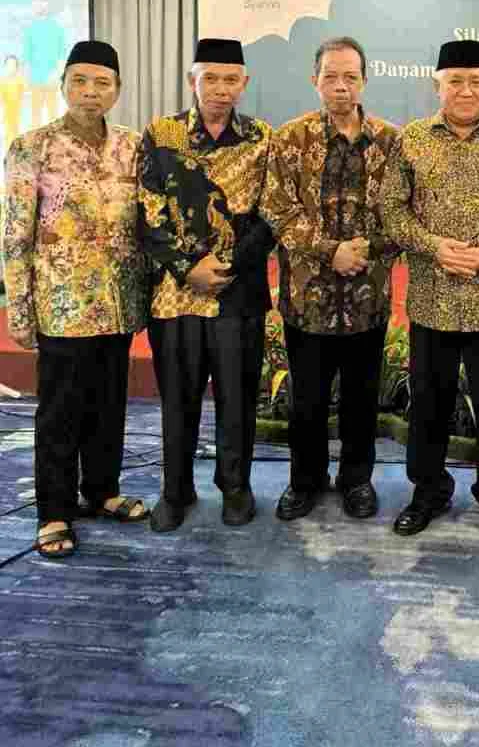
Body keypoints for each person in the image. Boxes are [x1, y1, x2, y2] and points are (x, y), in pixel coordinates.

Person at [379, 39, 479, 543]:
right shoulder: (411, 139)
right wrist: (435, 248)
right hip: (432, 300)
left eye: (475, 81)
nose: (466, 90)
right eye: (455, 81)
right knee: (429, 406)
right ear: (438, 86)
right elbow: (392, 208)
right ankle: (428, 492)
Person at [3, 41, 149, 559]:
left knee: (109, 406)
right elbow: (15, 235)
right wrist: (20, 308)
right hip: (62, 305)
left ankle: (102, 491)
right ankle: (55, 511)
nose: (91, 92)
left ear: (117, 90)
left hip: (118, 302)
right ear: (63, 85)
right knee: (60, 412)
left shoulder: (133, 146)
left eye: (102, 83)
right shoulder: (32, 147)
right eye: (80, 81)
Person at [139, 37, 276, 532]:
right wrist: (188, 268)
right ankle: (175, 491)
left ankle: (235, 487)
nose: (220, 89)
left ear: (245, 82)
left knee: (238, 399)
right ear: (191, 81)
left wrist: (227, 265)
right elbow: (147, 213)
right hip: (175, 296)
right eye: (210, 78)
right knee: (179, 399)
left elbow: (272, 214)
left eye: (230, 79)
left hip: (238, 295)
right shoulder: (162, 133)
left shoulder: (261, 137)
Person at [260, 37, 399, 521]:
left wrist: (362, 251)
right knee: (308, 399)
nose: (341, 86)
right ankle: (306, 480)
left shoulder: (390, 141)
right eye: (331, 77)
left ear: (364, 81)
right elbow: (277, 208)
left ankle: (356, 479)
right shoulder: (290, 139)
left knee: (362, 398)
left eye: (350, 77)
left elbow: (401, 210)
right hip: (308, 298)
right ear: (314, 80)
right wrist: (329, 252)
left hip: (367, 296)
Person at [22, 0, 67, 128]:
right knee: (35, 120)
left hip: (52, 80)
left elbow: (62, 56)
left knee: (53, 119)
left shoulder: (57, 28)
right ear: (32, 4)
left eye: (41, 0)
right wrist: (27, 81)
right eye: (35, 0)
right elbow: (26, 59)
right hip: (35, 82)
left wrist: (56, 75)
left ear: (47, 3)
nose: (38, 3)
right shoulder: (29, 30)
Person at [1, 55, 27, 145]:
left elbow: (24, 97)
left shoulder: (20, 81)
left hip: (18, 114)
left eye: (13, 65)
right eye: (8, 65)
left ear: (16, 67)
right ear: (4, 66)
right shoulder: (2, 82)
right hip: (6, 114)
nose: (10, 68)